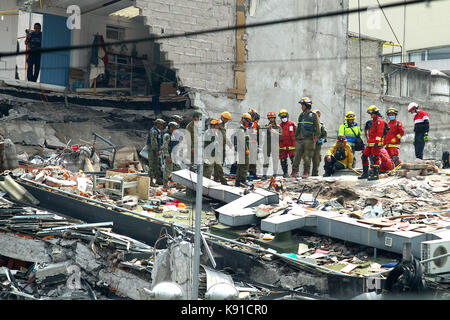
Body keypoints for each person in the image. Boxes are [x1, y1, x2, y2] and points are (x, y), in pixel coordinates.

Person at [291, 97, 320, 178]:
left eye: (302, 105)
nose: (301, 107)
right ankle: (294, 171)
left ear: (307, 105)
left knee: (307, 157)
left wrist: (316, 137)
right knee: (296, 155)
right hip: (300, 139)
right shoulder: (301, 115)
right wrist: (296, 137)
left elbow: (318, 127)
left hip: (309, 139)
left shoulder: (313, 116)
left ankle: (306, 172)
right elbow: (299, 127)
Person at [358, 105, 386, 181]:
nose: (370, 115)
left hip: (376, 144)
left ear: (375, 113)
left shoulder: (380, 121)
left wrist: (377, 143)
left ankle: (375, 175)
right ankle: (365, 173)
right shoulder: (373, 121)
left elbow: (379, 133)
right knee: (364, 156)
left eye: (371, 114)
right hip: (370, 143)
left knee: (375, 158)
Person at [203, 119, 228, 185]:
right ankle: (205, 184)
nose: (218, 126)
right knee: (208, 171)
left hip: (216, 154)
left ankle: (224, 182)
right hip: (209, 155)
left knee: (219, 169)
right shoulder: (208, 133)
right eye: (217, 125)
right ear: (214, 126)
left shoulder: (216, 132)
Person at [147, 118, 166, 186]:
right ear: (157, 124)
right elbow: (153, 142)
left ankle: (158, 179)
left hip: (156, 149)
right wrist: (157, 150)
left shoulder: (158, 131)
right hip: (152, 150)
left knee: (158, 164)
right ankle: (151, 181)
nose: (162, 126)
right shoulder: (153, 131)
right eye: (161, 124)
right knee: (152, 165)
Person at [278, 109, 296, 178]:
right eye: (282, 117)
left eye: (284, 116)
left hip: (292, 146)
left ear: (287, 116)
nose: (283, 118)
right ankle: (285, 173)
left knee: (294, 159)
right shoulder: (279, 126)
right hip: (283, 147)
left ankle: (295, 172)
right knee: (283, 160)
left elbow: (297, 133)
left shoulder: (292, 124)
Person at [235, 113, 252, 187]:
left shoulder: (244, 129)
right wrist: (246, 150)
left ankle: (238, 181)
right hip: (243, 150)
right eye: (247, 120)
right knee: (244, 166)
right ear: (243, 120)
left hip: (243, 150)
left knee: (241, 165)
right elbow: (242, 142)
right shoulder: (241, 130)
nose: (248, 122)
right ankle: (242, 180)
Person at [262, 112, 280, 179]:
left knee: (275, 159)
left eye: (272, 118)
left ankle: (275, 173)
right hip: (267, 145)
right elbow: (260, 130)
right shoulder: (266, 125)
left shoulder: (278, 126)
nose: (270, 119)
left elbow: (281, 136)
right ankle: (264, 174)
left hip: (275, 145)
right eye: (269, 118)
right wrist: (267, 128)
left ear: (274, 118)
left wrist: (276, 132)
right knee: (266, 160)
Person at [161, 122, 179, 189]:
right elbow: (164, 147)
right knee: (168, 171)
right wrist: (167, 156)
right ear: (171, 127)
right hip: (169, 155)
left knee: (178, 169)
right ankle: (165, 185)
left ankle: (178, 184)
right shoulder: (167, 135)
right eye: (175, 128)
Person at [312, 109, 327, 176]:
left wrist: (322, 139)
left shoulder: (321, 125)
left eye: (318, 115)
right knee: (307, 160)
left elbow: (324, 135)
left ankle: (314, 174)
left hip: (317, 145)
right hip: (309, 144)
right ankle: (305, 173)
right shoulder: (309, 124)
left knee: (317, 160)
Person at [247, 108, 260, 178]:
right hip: (247, 143)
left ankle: (253, 173)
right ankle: (246, 173)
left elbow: (258, 135)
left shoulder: (255, 124)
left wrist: (259, 145)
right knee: (247, 159)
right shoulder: (246, 123)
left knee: (254, 159)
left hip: (254, 144)